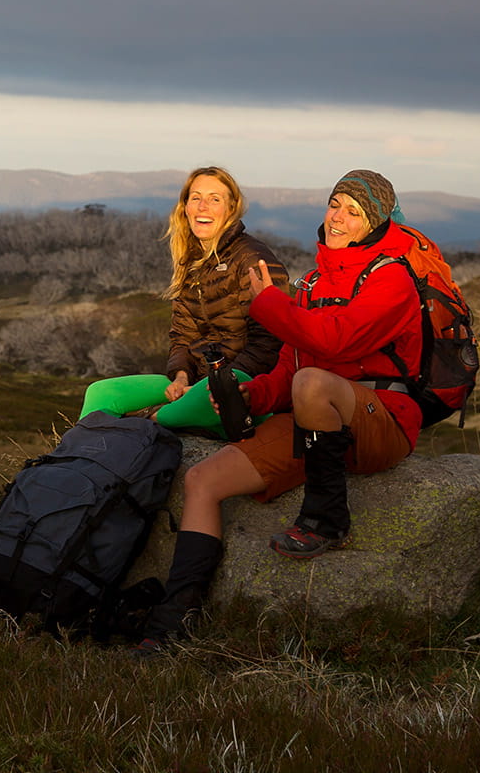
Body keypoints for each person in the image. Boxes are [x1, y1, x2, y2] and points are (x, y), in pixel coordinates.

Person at [134, 169, 423, 653]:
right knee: (203, 481)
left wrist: (267, 303)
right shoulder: (312, 282)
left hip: (381, 419)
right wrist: (257, 397)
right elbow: (290, 364)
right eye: (335, 204)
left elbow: (332, 341)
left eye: (355, 213)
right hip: (315, 422)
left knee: (312, 383)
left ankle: (327, 521)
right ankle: (173, 622)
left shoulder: (392, 278)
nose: (339, 218)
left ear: (376, 223)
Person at [79, 166, 289, 424]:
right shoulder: (190, 262)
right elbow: (182, 336)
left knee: (156, 420)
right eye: (196, 197)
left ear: (231, 208)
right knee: (100, 392)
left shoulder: (252, 259)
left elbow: (270, 344)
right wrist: (180, 377)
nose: (203, 206)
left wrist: (214, 386)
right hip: (198, 382)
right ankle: (75, 459)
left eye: (215, 199)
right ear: (185, 206)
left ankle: (146, 423)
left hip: (243, 384)